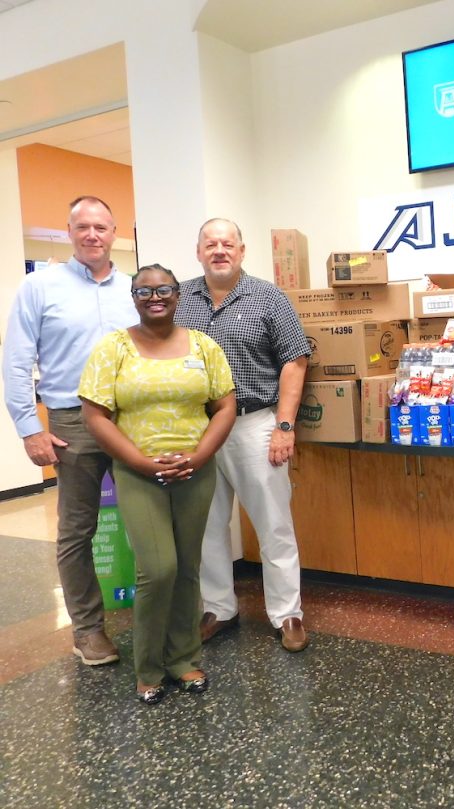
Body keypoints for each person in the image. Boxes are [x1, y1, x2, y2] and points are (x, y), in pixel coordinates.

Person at [78, 264, 236, 703]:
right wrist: (142, 463)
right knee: (157, 569)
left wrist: (200, 456)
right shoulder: (113, 347)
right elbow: (94, 415)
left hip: (195, 471)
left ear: (177, 294)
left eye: (163, 289)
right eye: (143, 291)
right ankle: (148, 667)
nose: (154, 297)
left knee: (187, 568)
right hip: (136, 472)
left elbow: (225, 406)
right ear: (133, 297)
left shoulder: (203, 345)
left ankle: (183, 659)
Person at [2, 196, 139, 666]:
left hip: (131, 420)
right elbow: (17, 361)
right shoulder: (40, 287)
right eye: (82, 227)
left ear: (114, 232)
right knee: (77, 531)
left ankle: (156, 620)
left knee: (148, 521)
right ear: (69, 232)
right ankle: (88, 630)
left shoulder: (135, 290)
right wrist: (28, 428)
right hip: (70, 422)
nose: (92, 235)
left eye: (101, 226)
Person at [175, 218, 311, 652]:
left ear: (242, 250)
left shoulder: (269, 297)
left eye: (227, 243)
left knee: (274, 525)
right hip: (198, 431)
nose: (219, 250)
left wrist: (284, 426)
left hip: (255, 425)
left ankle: (287, 614)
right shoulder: (179, 301)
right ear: (198, 252)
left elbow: (295, 360)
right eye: (210, 244)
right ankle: (219, 608)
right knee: (207, 526)